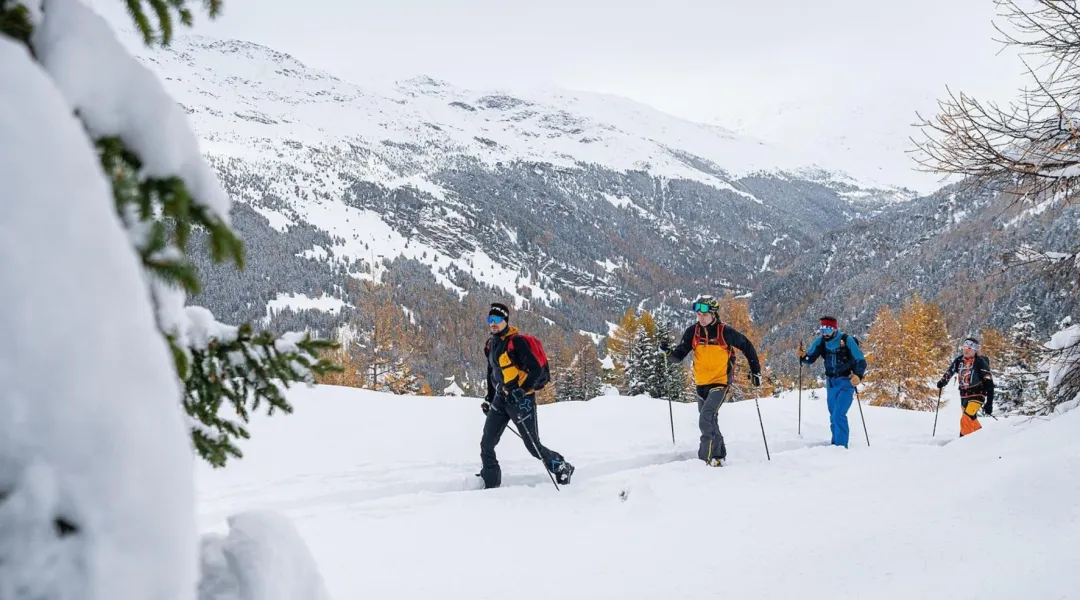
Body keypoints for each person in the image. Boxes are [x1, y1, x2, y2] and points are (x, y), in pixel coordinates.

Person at [477, 302, 574, 489]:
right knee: (486, 442)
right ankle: (489, 481)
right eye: (490, 319)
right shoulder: (491, 344)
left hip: (522, 402)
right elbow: (492, 373)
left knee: (533, 447)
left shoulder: (517, 342)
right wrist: (489, 398)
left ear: (505, 320)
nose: (493, 323)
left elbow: (536, 371)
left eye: (497, 319)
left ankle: (562, 467)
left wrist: (521, 391)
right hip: (500, 398)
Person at [663, 295, 762, 466]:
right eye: (699, 315)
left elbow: (747, 346)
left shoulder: (725, 332)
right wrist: (668, 353)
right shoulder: (692, 332)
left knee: (705, 418)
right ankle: (719, 455)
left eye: (705, 315)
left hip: (720, 382)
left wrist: (756, 372)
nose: (701, 318)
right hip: (701, 383)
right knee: (711, 419)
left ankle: (705, 461)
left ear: (713, 314)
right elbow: (679, 356)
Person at [798, 315, 866, 448]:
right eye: (822, 330)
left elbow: (860, 360)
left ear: (835, 329)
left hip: (847, 381)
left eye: (828, 330)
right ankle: (835, 445)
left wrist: (858, 375)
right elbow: (809, 359)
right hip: (831, 383)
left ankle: (841, 447)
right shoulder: (820, 341)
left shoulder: (847, 340)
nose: (824, 333)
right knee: (833, 415)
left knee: (839, 414)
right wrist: (802, 356)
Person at [937, 337, 995, 437]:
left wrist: (989, 403)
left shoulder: (980, 362)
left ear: (975, 350)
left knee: (966, 418)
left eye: (970, 348)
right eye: (965, 346)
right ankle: (981, 437)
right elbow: (950, 372)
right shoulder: (959, 361)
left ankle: (962, 442)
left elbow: (989, 384)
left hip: (977, 394)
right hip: (964, 395)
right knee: (971, 418)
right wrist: (943, 381)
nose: (966, 349)